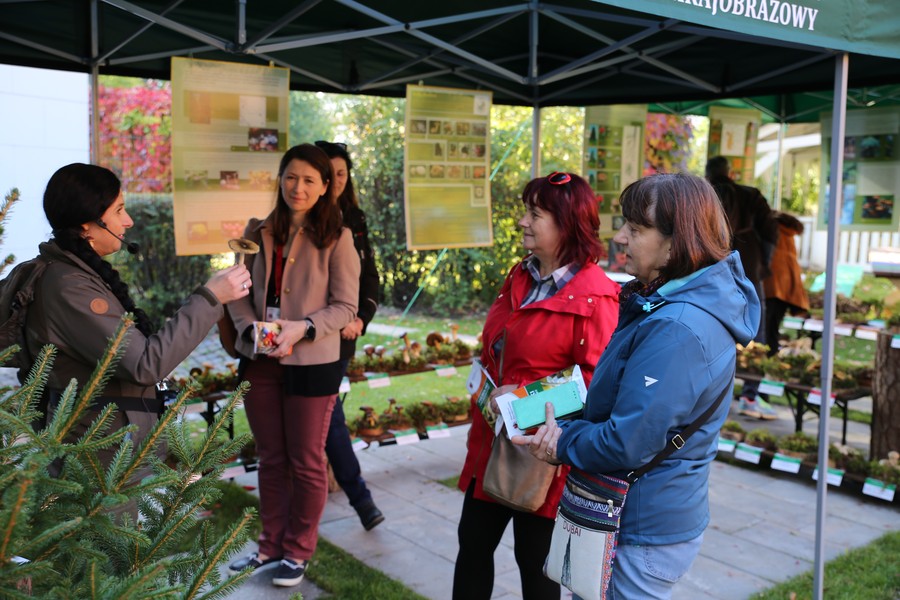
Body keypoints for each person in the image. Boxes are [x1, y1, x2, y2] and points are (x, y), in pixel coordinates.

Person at [515, 173, 759, 600]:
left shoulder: (677, 328)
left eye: (636, 227)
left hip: (642, 526)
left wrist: (560, 440)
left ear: (676, 241)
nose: (621, 237)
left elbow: (628, 442)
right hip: (645, 515)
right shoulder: (667, 303)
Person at [453, 171, 620, 600]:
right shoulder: (520, 276)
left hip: (545, 459)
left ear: (567, 223)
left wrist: (523, 402)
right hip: (491, 444)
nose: (523, 221)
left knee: (536, 566)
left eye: (535, 213)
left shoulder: (598, 298)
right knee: (472, 547)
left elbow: (594, 387)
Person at [26, 162, 250, 479]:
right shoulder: (69, 287)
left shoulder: (77, 275)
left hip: (111, 449)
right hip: (98, 461)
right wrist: (210, 298)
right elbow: (145, 364)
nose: (128, 221)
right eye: (119, 210)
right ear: (87, 224)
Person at [226, 144, 359, 587]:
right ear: (279, 179)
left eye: (308, 180)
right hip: (261, 361)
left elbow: (345, 307)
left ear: (324, 188)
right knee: (270, 458)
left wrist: (301, 328)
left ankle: (297, 551)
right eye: (290, 177)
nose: (297, 187)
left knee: (304, 460)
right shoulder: (256, 230)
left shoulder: (338, 238)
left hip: (313, 363)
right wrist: (249, 332)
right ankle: (269, 546)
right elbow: (238, 291)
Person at [314, 139, 384, 531]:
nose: (337, 181)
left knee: (327, 409)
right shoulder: (303, 219)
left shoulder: (354, 219)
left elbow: (369, 277)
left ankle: (358, 498)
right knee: (326, 411)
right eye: (330, 174)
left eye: (342, 174)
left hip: (345, 332)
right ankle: (360, 499)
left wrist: (360, 319)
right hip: (309, 331)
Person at [706, 156, 779, 420]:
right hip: (749, 266)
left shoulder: (704, 195)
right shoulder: (752, 196)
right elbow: (772, 231)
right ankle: (750, 394)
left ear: (709, 174)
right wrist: (762, 263)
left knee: (713, 328)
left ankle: (712, 395)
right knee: (755, 333)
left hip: (712, 270)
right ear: (729, 173)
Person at [763, 211, 810, 356]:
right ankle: (769, 358)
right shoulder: (789, 236)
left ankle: (763, 358)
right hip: (782, 291)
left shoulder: (770, 230)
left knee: (765, 327)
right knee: (773, 328)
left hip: (768, 288)